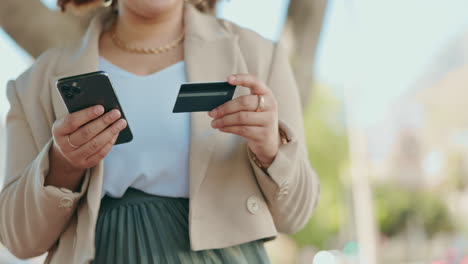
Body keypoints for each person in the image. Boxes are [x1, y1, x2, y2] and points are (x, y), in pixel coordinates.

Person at [0, 0, 320, 263]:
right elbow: (19, 240)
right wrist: (62, 165)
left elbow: (297, 216)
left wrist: (271, 149)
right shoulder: (35, 83)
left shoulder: (260, 56)